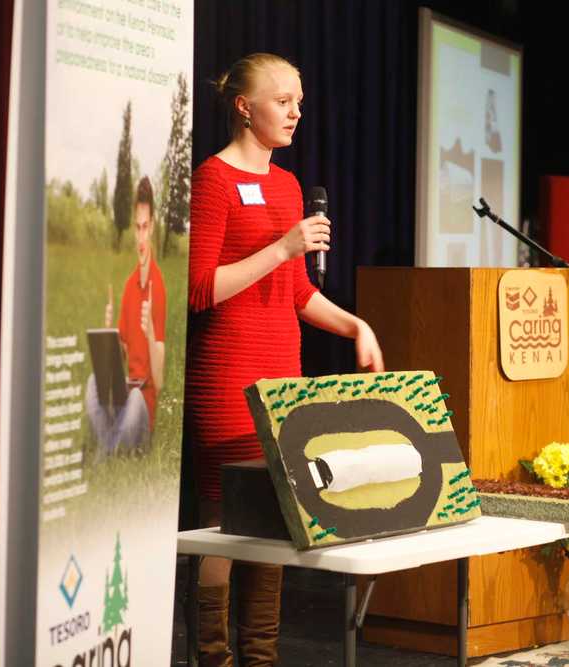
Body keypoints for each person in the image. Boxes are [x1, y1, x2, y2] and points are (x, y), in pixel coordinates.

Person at [187, 52, 384, 666]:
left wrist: (357, 324)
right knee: (226, 524)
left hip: (282, 381)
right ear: (244, 108)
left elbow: (298, 293)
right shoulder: (213, 180)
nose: (296, 112)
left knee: (274, 523)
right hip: (227, 379)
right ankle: (215, 658)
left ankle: (262, 659)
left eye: (299, 101)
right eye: (283, 101)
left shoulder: (289, 185)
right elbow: (199, 289)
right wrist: (283, 246)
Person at [86, 176, 167, 455]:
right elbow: (119, 355)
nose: (141, 237)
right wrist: (108, 330)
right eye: (137, 227)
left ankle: (106, 451)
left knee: (134, 399)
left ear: (153, 227)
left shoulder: (159, 287)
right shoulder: (129, 285)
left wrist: (151, 334)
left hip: (141, 404)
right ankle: (114, 445)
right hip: (123, 394)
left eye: (146, 227)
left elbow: (160, 380)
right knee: (92, 383)